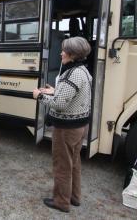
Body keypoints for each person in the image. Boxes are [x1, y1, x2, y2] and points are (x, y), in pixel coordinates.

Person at [33, 36, 92, 213]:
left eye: (64, 51)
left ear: (72, 54)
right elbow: (71, 95)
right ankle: (74, 197)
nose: (61, 53)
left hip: (66, 129)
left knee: (62, 165)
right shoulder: (83, 70)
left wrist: (40, 96)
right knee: (74, 163)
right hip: (80, 126)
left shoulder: (71, 74)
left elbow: (60, 104)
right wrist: (54, 90)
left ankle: (61, 201)